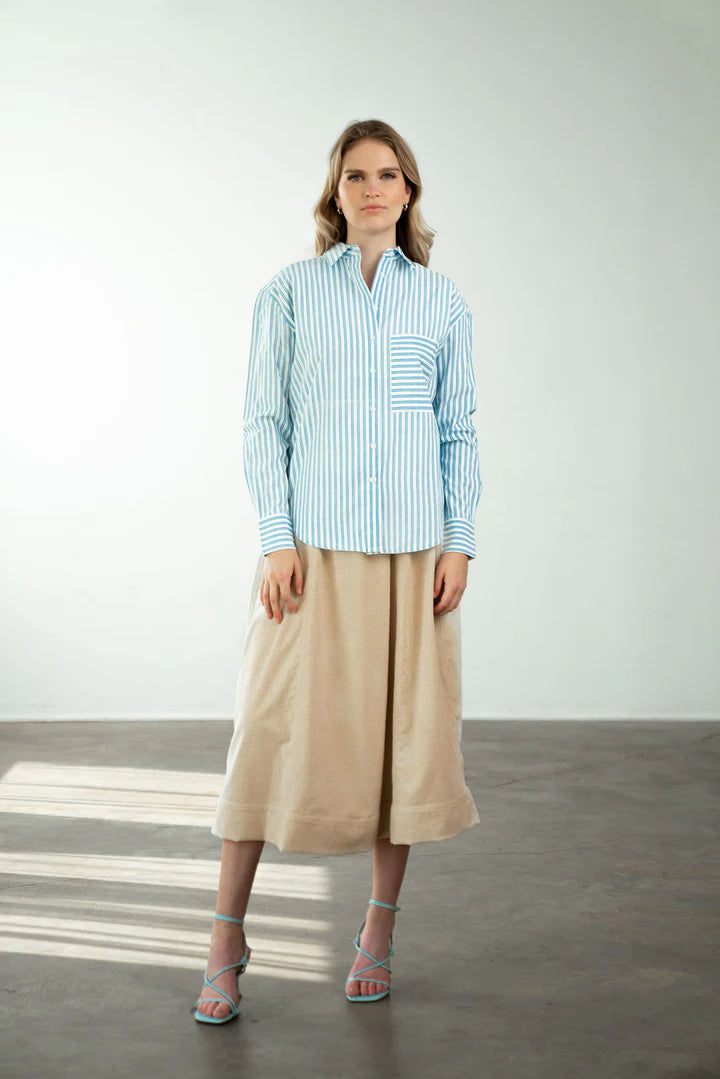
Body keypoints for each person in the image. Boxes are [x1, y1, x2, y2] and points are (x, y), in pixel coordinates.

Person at [193, 118, 483, 1023]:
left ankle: (377, 933)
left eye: (387, 174)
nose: (372, 189)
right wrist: (275, 536)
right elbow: (263, 422)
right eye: (355, 175)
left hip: (414, 554)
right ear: (335, 192)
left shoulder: (441, 303)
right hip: (309, 550)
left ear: (409, 190)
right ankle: (224, 937)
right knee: (266, 730)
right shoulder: (288, 294)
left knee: (405, 746)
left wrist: (460, 539)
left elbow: (458, 429)